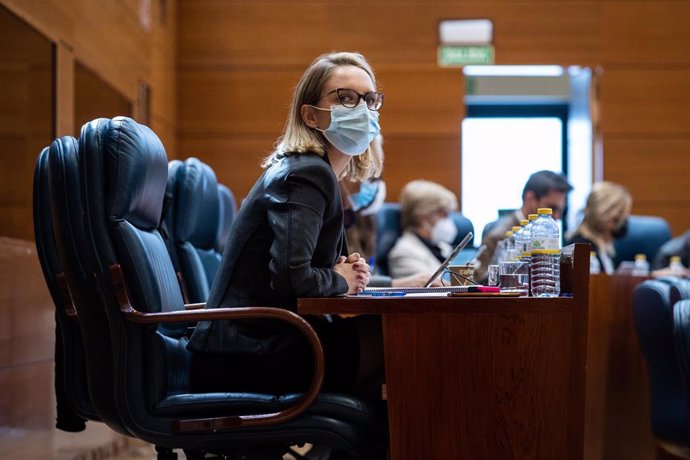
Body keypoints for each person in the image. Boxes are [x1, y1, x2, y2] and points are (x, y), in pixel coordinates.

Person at [187, 51, 384, 399]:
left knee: (385, 340)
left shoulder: (315, 172)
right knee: (392, 344)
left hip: (263, 341)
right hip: (248, 354)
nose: (363, 109)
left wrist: (344, 273)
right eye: (346, 98)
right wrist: (339, 280)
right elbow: (292, 277)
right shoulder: (306, 172)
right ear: (310, 115)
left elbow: (310, 269)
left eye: (370, 99)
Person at [474, 170, 573, 283]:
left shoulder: (546, 233)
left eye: (561, 210)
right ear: (529, 198)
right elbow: (480, 285)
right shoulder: (500, 236)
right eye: (551, 207)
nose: (556, 216)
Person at [387, 180, 459, 279]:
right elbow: (437, 287)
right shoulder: (404, 253)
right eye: (443, 214)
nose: (448, 220)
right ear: (421, 215)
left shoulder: (442, 247)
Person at [565, 181, 632, 274]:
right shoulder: (581, 247)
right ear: (603, 215)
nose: (618, 226)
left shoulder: (604, 249)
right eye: (616, 220)